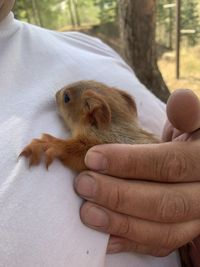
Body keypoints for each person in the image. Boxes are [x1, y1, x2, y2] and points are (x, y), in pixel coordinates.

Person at [0, 0, 191, 266]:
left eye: (66, 98)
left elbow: (87, 153)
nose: (58, 98)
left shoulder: (91, 47)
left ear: (91, 111)